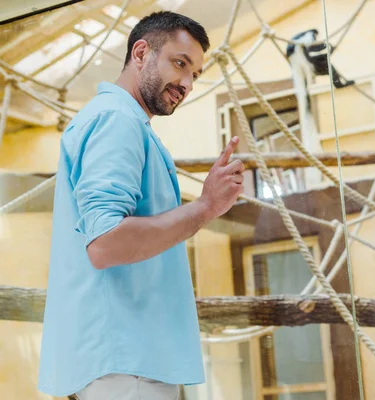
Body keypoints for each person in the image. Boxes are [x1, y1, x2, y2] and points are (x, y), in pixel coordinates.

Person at [37, 11, 245, 400]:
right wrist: (204, 208)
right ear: (141, 52)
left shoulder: (121, 121)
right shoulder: (117, 121)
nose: (186, 83)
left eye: (195, 75)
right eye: (179, 64)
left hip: (127, 361)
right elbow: (107, 243)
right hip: (125, 364)